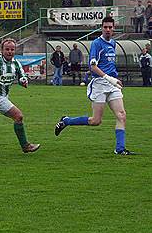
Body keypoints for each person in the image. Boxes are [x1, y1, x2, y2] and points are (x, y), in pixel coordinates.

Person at [55, 16, 134, 155]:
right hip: (100, 84)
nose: (108, 30)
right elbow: (93, 67)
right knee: (96, 121)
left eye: (110, 27)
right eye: (105, 27)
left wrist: (113, 79)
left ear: (114, 28)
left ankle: (120, 149)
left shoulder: (113, 43)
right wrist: (109, 78)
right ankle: (67, 121)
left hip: (112, 84)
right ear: (101, 28)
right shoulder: (97, 44)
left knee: (122, 115)